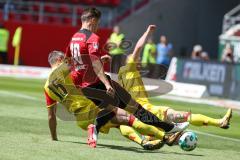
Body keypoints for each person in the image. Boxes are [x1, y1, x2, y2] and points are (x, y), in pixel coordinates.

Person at [65, 7, 189, 147]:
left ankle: (94, 129)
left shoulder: (74, 38)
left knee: (112, 110)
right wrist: (106, 84)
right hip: (97, 83)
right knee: (136, 109)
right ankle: (170, 128)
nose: (98, 27)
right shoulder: (92, 38)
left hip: (85, 88)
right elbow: (94, 64)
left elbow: (71, 62)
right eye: (98, 24)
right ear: (92, 20)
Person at [44, 50, 184, 150]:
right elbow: (79, 65)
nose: (66, 61)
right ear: (58, 60)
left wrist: (54, 137)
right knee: (128, 117)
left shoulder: (47, 87)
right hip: (94, 111)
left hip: (81, 120)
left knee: (119, 124)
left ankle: (145, 141)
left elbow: (51, 117)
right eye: (63, 59)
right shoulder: (62, 71)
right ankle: (166, 136)